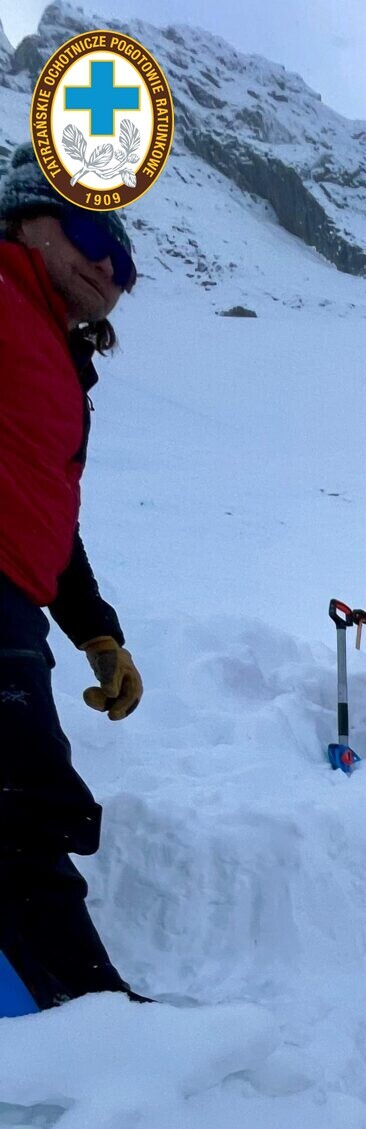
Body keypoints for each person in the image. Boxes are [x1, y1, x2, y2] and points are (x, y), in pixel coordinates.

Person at [0, 142, 145, 1012]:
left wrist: (95, 628)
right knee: (20, 804)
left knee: (24, 798)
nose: (108, 265)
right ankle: (82, 1033)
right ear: (24, 217)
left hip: (15, 603)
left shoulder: (55, 354)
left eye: (126, 263)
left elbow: (48, 511)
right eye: (92, 230)